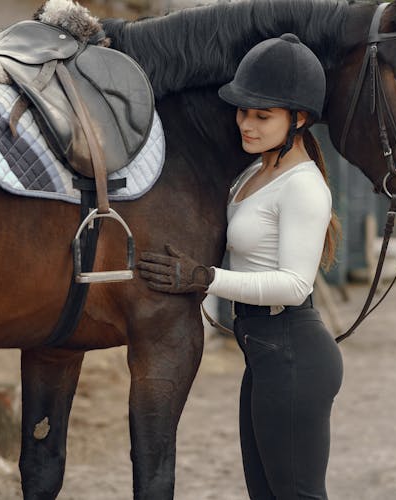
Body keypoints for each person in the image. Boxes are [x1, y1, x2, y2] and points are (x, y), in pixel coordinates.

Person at [137, 33, 343, 500]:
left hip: (293, 351)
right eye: (242, 111)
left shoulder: (303, 187)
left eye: (262, 115)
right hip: (263, 351)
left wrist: (205, 279)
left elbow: (294, 285)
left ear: (300, 118)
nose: (246, 124)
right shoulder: (255, 171)